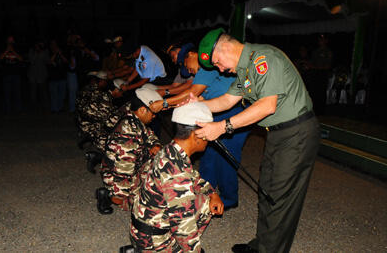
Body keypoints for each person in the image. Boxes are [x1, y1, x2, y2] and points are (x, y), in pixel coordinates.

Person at [193, 28, 320, 253]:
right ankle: (261, 245)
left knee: (280, 199)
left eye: (218, 63)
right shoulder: (244, 70)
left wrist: (222, 127)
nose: (220, 70)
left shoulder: (263, 59)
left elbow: (267, 105)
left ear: (225, 48)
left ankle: (270, 250)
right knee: (267, 192)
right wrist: (195, 106)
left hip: (296, 132)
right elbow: (225, 101)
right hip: (278, 134)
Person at [150, 48, 250, 209]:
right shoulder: (202, 71)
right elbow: (199, 94)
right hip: (217, 110)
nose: (189, 71)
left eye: (187, 66)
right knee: (209, 152)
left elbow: (193, 91)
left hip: (236, 110)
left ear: (192, 54)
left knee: (226, 155)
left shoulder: (208, 66)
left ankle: (228, 198)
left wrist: (166, 103)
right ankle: (205, 193)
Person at [119, 102, 224, 253]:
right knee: (192, 224)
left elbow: (194, 177)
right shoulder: (177, 172)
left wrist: (212, 193)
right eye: (209, 132)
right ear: (196, 135)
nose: (212, 137)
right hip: (152, 240)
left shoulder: (170, 149)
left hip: (143, 227)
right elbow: (183, 226)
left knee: (206, 202)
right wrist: (194, 250)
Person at [97, 87, 163, 214]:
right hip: (119, 175)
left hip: (131, 166)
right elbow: (123, 171)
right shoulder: (128, 133)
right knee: (148, 205)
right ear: (143, 110)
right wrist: (124, 197)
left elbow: (151, 136)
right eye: (153, 113)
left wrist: (156, 145)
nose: (154, 116)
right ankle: (106, 196)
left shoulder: (135, 119)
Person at [308, 34, 333, 115]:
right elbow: (311, 63)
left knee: (321, 93)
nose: (320, 41)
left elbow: (327, 66)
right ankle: (314, 110)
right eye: (319, 40)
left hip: (323, 74)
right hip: (315, 74)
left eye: (322, 39)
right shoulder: (315, 51)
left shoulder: (328, 52)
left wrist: (316, 67)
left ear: (326, 41)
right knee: (314, 92)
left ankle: (322, 111)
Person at [0, 35, 24, 114]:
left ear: (14, 41)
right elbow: (0, 58)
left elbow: (21, 59)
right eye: (9, 40)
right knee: (7, 94)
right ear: (7, 41)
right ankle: (8, 110)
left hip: (16, 74)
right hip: (6, 75)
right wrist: (7, 50)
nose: (10, 42)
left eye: (12, 40)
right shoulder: (3, 48)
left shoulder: (17, 49)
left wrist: (13, 51)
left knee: (17, 93)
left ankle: (18, 110)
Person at [27, 40, 50, 112]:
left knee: (43, 93)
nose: (39, 45)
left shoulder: (45, 51)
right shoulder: (31, 51)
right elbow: (31, 60)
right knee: (33, 94)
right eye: (38, 44)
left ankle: (45, 108)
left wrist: (40, 51)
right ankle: (33, 109)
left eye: (40, 44)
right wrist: (37, 52)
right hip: (33, 76)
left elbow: (47, 60)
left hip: (42, 75)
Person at [47, 40, 68, 113]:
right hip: (53, 78)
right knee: (53, 95)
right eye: (52, 44)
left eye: (55, 45)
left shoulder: (62, 53)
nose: (54, 46)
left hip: (62, 77)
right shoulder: (49, 53)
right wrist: (55, 54)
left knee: (61, 94)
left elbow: (66, 61)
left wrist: (60, 54)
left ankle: (60, 108)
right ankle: (54, 109)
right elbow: (49, 62)